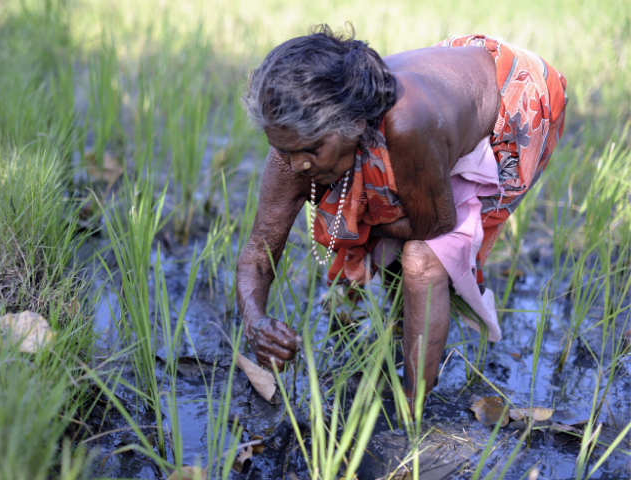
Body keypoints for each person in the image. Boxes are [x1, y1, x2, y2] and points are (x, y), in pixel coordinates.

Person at [236, 26, 567, 405]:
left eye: (312, 149)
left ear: (355, 126)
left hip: (512, 98)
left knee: (423, 259)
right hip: (449, 83)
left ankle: (413, 408)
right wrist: (256, 321)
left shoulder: (406, 125)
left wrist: (357, 222)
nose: (297, 164)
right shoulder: (293, 146)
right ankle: (401, 327)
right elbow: (258, 253)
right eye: (283, 147)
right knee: (383, 215)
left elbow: (434, 226)